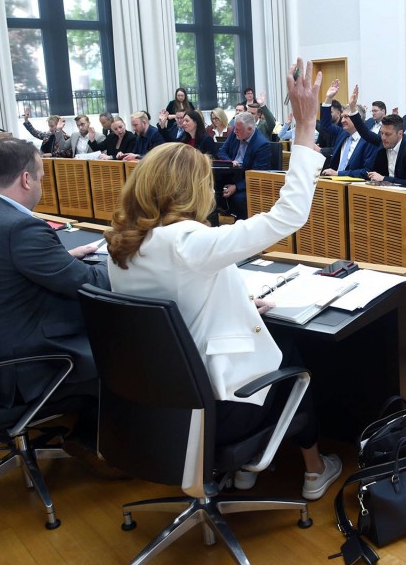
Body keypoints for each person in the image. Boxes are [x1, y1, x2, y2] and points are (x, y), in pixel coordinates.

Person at [104, 59, 342, 501]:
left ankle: (247, 472)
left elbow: (179, 307)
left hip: (159, 404)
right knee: (292, 365)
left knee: (277, 349)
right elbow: (287, 216)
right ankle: (313, 472)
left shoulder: (121, 246)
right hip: (216, 405)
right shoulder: (187, 241)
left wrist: (240, 304)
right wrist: (306, 125)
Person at [0, 138, 109, 417]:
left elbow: (4, 268)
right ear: (25, 179)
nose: (41, 185)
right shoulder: (20, 227)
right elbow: (90, 283)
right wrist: (122, 258)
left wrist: (63, 258)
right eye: (41, 178)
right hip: (31, 364)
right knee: (132, 348)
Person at [349, 86, 406, 189]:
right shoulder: (383, 141)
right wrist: (352, 108)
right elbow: (365, 133)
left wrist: (384, 178)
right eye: (382, 133)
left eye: (387, 134)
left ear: (400, 133)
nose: (383, 137)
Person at [217, 112, 272, 218]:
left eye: (238, 130)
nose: (234, 131)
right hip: (231, 173)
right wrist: (230, 161)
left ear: (250, 129)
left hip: (247, 181)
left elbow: (257, 174)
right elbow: (221, 151)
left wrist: (236, 187)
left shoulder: (262, 145)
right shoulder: (235, 133)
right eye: (235, 128)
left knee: (238, 198)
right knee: (211, 190)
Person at [319, 80, 376, 178]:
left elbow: (367, 171)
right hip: (335, 184)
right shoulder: (342, 133)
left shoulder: (369, 140)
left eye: (347, 117)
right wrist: (328, 98)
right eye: (342, 117)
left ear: (357, 118)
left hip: (355, 186)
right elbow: (325, 125)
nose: (342, 120)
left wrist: (339, 174)